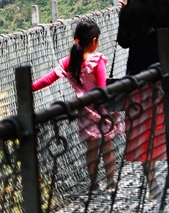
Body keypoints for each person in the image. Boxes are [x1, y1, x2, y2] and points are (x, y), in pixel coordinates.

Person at [116, 0, 169, 198]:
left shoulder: (130, 10)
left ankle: (152, 183)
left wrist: (126, 15)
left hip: (139, 77)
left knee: (145, 129)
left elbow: (123, 42)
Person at [32, 20, 122, 193]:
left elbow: (47, 79)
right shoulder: (97, 61)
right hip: (102, 110)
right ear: (94, 41)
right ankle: (111, 183)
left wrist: (30, 87)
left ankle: (94, 184)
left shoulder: (68, 62)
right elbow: (102, 88)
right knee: (107, 147)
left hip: (85, 111)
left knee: (91, 149)